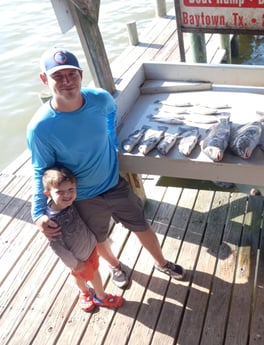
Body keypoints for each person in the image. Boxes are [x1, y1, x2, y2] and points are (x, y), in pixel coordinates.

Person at [27, 48, 185, 289]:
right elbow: (41, 171)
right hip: (83, 197)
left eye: (72, 74)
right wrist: (38, 212)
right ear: (44, 79)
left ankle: (161, 262)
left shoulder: (100, 99)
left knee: (142, 224)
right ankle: (115, 265)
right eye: (58, 76)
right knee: (98, 238)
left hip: (114, 184)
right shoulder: (40, 128)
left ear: (81, 75)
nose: (67, 82)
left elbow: (111, 115)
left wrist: (112, 142)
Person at [42, 166, 123, 312]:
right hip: (78, 258)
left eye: (71, 190)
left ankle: (84, 292)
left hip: (89, 248)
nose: (67, 195)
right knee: (90, 274)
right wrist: (74, 263)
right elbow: (57, 247)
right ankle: (100, 296)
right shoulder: (51, 221)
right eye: (60, 192)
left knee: (87, 273)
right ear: (48, 194)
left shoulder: (67, 203)